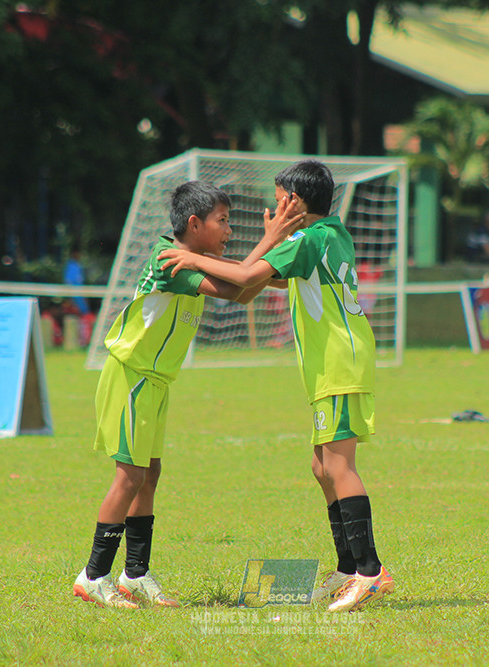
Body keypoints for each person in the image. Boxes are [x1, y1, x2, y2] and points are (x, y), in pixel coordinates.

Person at [158, 160, 394, 613]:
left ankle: (370, 571)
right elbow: (267, 277)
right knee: (322, 466)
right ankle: (347, 568)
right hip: (334, 364)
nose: (275, 207)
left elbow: (248, 277)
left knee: (339, 466)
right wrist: (251, 249)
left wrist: (193, 258)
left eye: (280, 199)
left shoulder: (308, 239)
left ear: (297, 203)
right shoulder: (329, 234)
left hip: (338, 362)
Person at [72, 180, 303, 610]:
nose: (229, 229)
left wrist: (275, 266)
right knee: (129, 477)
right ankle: (93, 576)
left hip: (155, 381)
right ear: (194, 224)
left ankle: (134, 575)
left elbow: (245, 287)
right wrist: (270, 241)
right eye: (223, 220)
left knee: (149, 474)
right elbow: (234, 290)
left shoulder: (197, 259)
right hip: (132, 376)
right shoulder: (170, 260)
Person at [63, 245, 90, 315]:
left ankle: (84, 314)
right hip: (73, 289)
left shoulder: (78, 264)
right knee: (75, 305)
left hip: (79, 289)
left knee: (82, 304)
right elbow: (68, 280)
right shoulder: (70, 264)